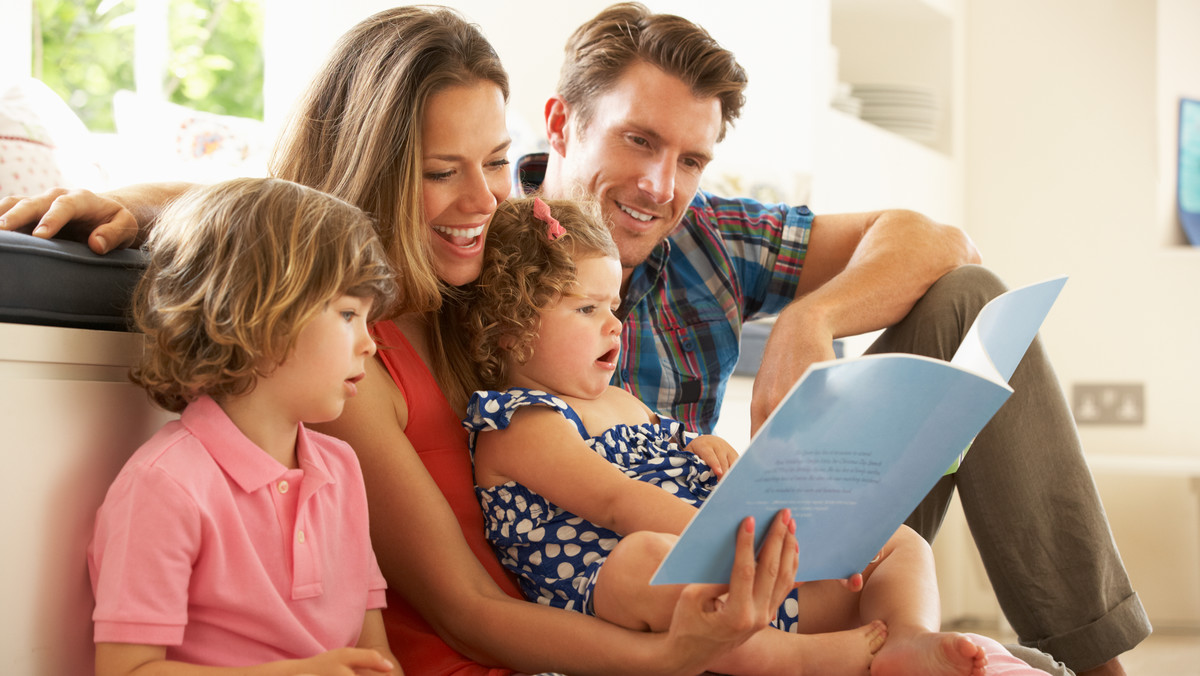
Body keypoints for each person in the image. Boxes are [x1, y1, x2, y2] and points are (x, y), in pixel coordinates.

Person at [3, 7, 802, 676]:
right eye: (439, 171)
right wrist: (134, 203)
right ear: (377, 169)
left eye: (495, 161)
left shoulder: (480, 290)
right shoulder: (342, 361)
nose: (482, 200)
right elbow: (466, 613)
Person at [510, 4, 1151, 676]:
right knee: (995, 666)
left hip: (766, 563)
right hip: (632, 603)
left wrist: (809, 319)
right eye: (638, 140)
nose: (662, 187)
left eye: (691, 159)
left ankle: (1089, 663)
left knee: (969, 297)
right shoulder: (489, 256)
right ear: (560, 123)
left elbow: (941, 242)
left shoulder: (710, 237)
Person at [459, 195, 1060, 676]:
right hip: (633, 588)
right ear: (510, 330)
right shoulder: (518, 421)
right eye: (586, 310)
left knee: (902, 543)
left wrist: (702, 448)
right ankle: (796, 663)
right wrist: (747, 547)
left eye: (613, 306)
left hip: (738, 573)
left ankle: (905, 642)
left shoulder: (616, 399)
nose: (614, 324)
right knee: (643, 559)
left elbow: (671, 447)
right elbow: (617, 505)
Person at [88, 177, 402, 674]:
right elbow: (127, 670)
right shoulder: (165, 486)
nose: (370, 343)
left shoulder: (341, 468)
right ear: (258, 315)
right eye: (348, 314)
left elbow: (375, 652)